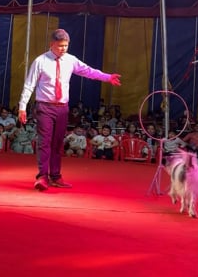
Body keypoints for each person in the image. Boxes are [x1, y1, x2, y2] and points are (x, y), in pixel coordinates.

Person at [18, 28, 122, 190]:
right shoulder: (41, 61)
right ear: (52, 44)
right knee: (44, 143)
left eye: (66, 46)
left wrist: (107, 77)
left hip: (62, 108)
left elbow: (88, 71)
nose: (63, 49)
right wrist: (22, 107)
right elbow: (29, 84)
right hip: (45, 107)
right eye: (60, 46)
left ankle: (56, 175)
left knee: (58, 143)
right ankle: (42, 176)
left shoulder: (70, 60)